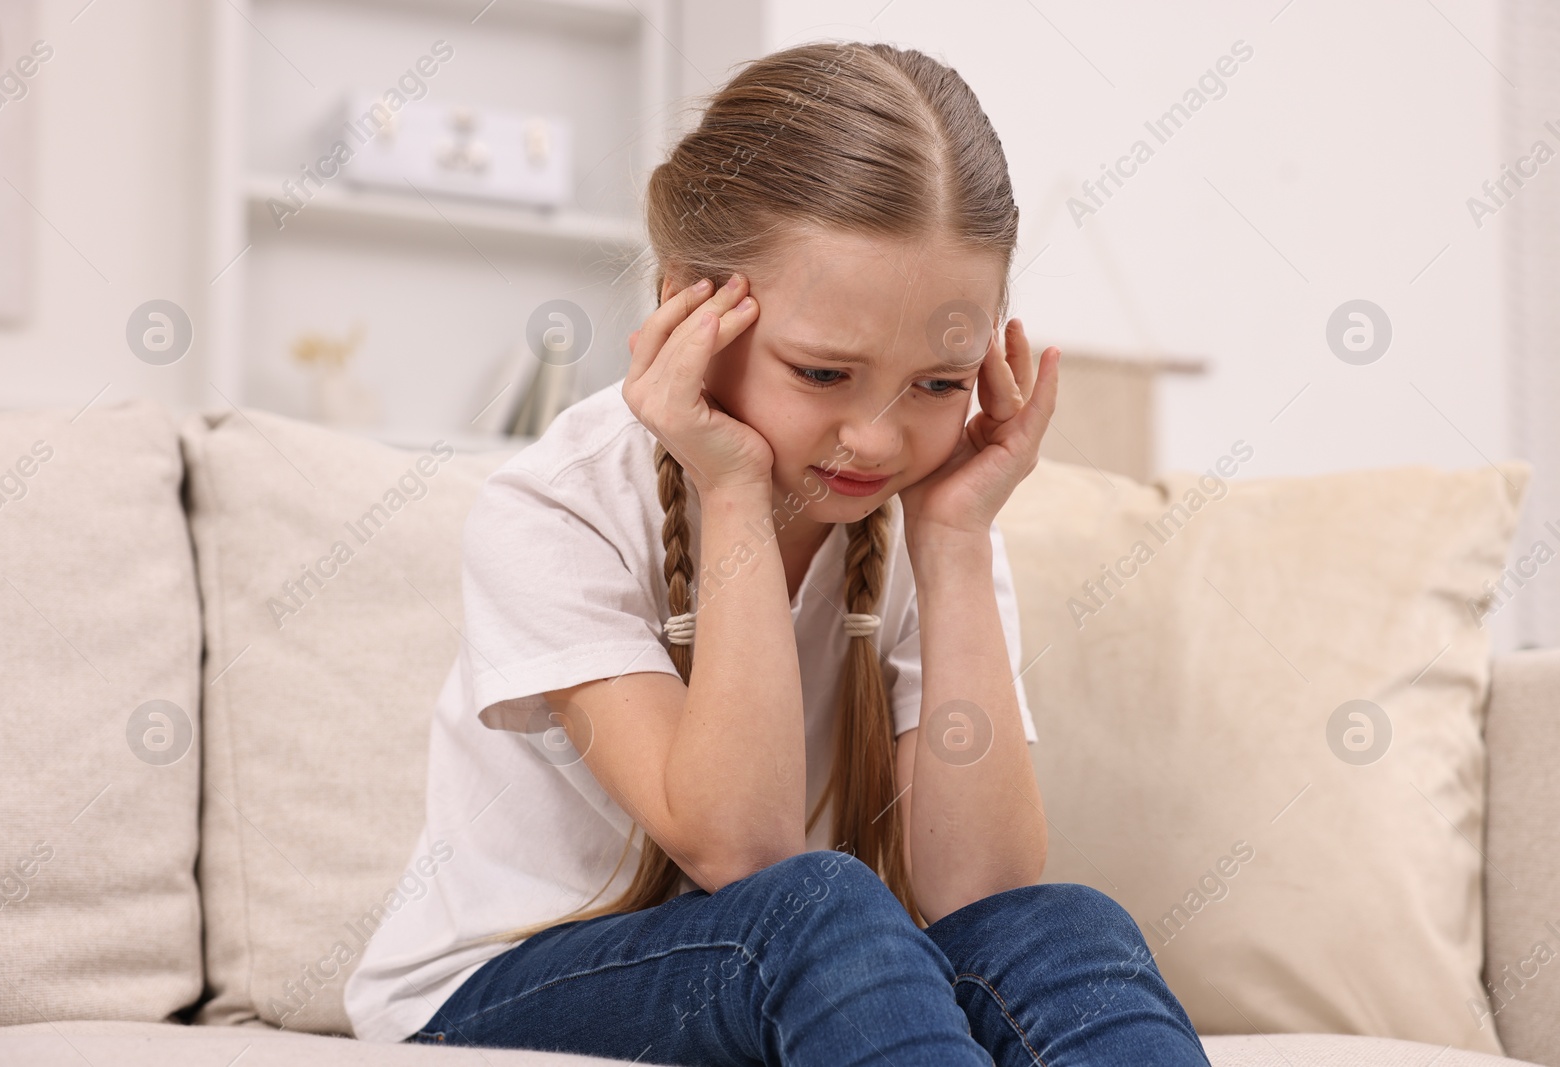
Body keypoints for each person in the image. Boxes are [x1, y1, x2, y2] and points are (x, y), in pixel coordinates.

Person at [344, 39, 1212, 1066]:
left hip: (772, 948)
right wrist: (732, 491)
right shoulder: (553, 508)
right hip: (497, 981)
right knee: (816, 903)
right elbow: (743, 848)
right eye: (824, 370)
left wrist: (955, 543)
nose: (879, 439)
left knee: (1067, 923)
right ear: (691, 307)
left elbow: (978, 885)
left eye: (937, 383)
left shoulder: (927, 516)